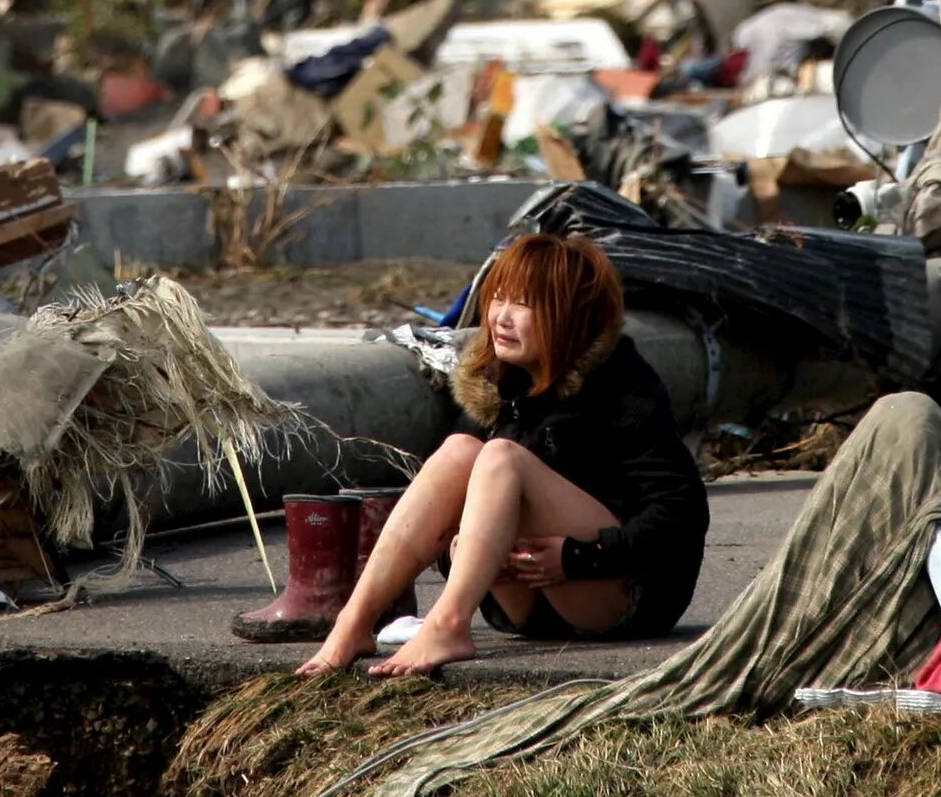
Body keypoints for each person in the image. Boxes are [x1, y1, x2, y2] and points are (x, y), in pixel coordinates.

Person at [297, 231, 708, 678]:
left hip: (617, 595)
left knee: (501, 458)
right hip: (525, 608)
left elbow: (681, 511)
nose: (501, 318)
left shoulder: (624, 384)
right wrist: (460, 554)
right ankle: (353, 623)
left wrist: (578, 556)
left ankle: (448, 625)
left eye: (524, 304)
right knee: (459, 452)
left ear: (572, 314)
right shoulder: (498, 386)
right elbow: (447, 518)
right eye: (498, 299)